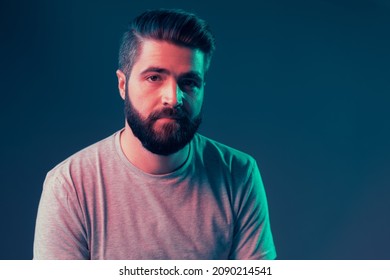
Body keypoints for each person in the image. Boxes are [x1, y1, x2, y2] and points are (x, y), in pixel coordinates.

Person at [33, 8, 276, 260]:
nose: (173, 98)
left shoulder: (238, 174)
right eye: (154, 77)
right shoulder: (70, 186)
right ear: (122, 85)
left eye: (189, 82)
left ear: (203, 87)